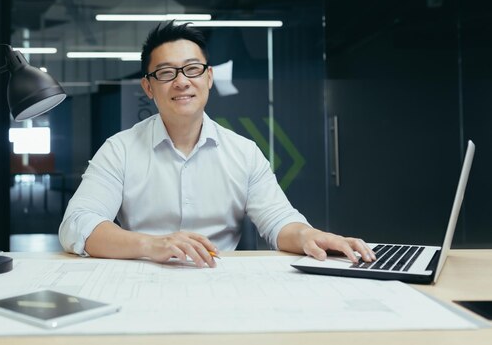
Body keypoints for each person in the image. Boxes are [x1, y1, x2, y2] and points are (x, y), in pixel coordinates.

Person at [59, 21, 376, 268]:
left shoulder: (243, 152)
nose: (182, 81)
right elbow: (77, 224)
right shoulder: (120, 149)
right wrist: (149, 245)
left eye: (192, 69)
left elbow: (279, 222)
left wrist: (310, 235)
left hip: (219, 280)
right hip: (142, 277)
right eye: (167, 72)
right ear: (148, 87)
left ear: (208, 77)